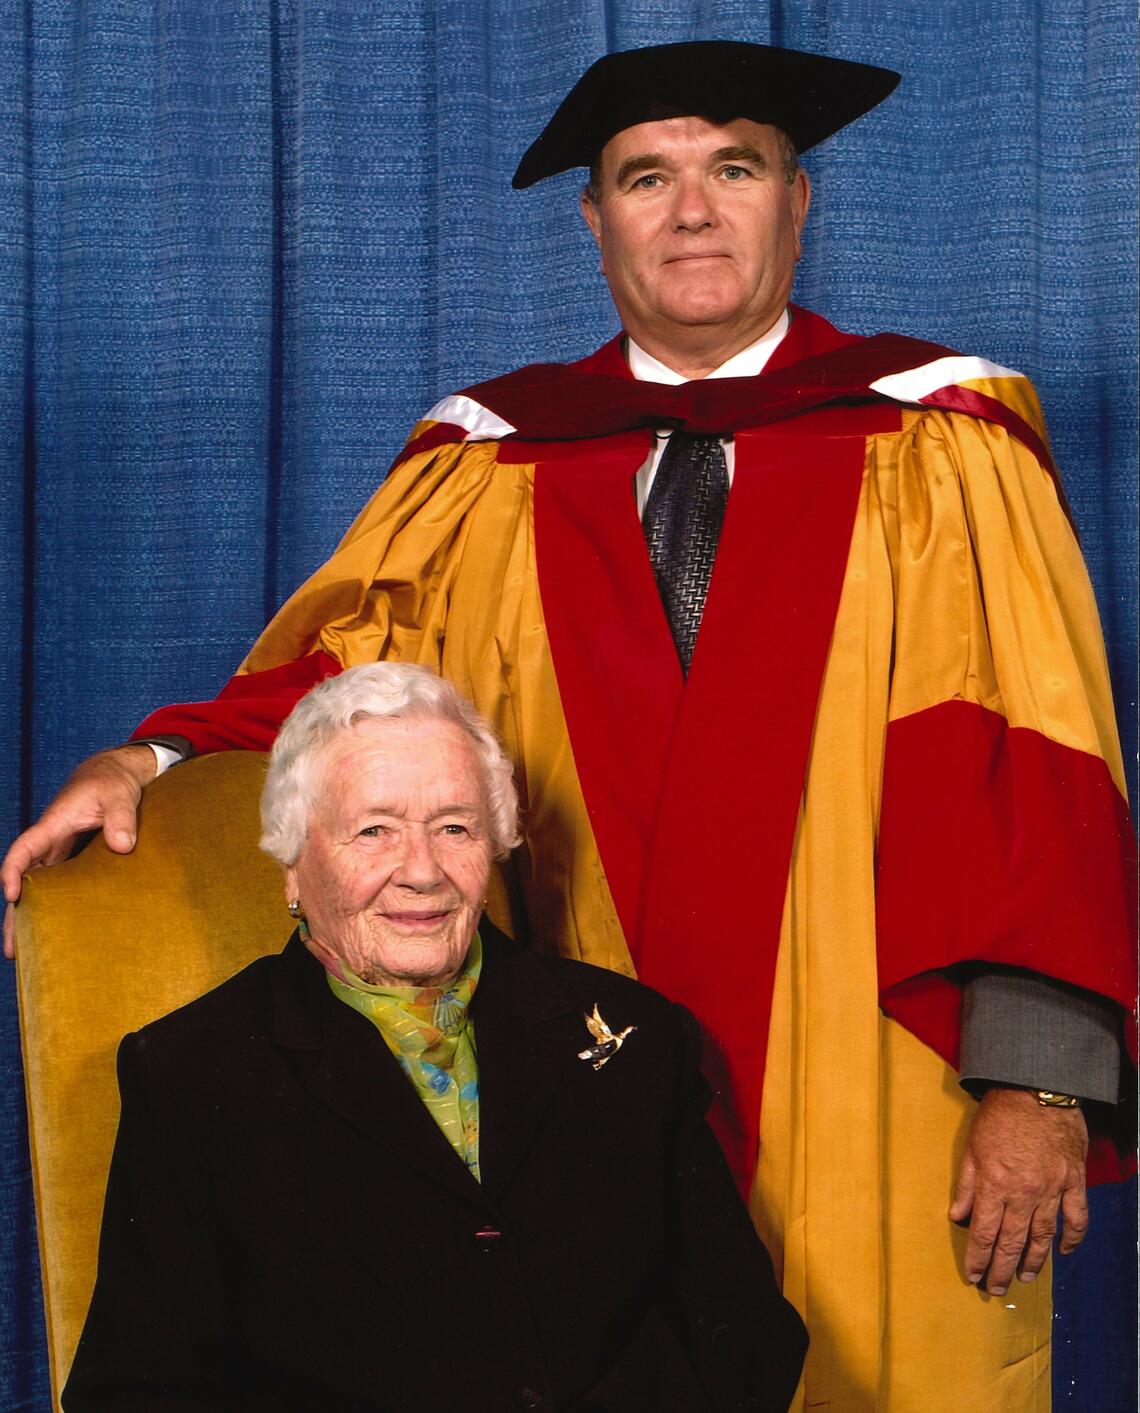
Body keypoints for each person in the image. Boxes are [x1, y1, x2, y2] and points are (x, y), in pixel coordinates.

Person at [9, 41, 1135, 1410]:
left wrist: (1043, 1087)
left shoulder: (941, 442)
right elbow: (348, 670)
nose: (693, 210)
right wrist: (155, 751)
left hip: (883, 1095)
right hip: (574, 1096)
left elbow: (1039, 768)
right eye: (646, 178)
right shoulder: (494, 462)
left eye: (734, 168)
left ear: (799, 199)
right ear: (593, 221)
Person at [63, 662, 807, 1412]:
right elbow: (133, 1391)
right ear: (293, 864)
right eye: (374, 830)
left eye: (455, 826)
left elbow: (746, 1333)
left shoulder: (638, 1036)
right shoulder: (193, 1073)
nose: (422, 871)